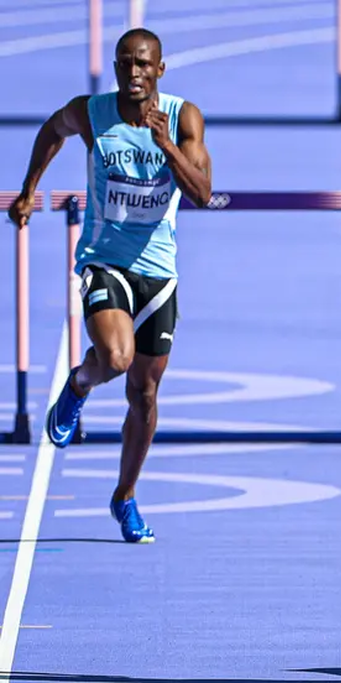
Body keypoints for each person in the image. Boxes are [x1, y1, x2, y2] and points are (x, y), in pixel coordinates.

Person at [7, 28, 212, 544]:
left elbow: (204, 193)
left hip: (159, 273)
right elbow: (52, 129)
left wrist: (164, 143)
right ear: (116, 68)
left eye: (144, 64)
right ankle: (79, 384)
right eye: (125, 64)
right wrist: (30, 189)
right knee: (117, 359)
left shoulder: (183, 117)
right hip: (105, 261)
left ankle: (124, 496)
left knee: (143, 394)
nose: (134, 73)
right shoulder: (94, 113)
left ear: (160, 70)